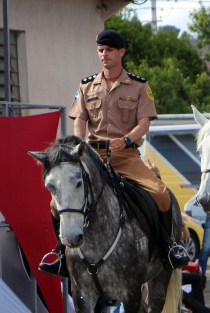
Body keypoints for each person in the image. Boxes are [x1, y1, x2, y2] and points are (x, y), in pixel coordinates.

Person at [39, 29, 189, 276]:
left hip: (126, 156)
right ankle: (59, 253)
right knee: (57, 203)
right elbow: (79, 119)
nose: (104, 55)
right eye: (100, 50)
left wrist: (127, 139)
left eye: (109, 50)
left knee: (161, 194)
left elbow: (144, 123)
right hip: (91, 157)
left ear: (121, 52)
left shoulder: (140, 85)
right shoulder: (86, 86)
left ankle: (169, 249)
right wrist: (79, 145)